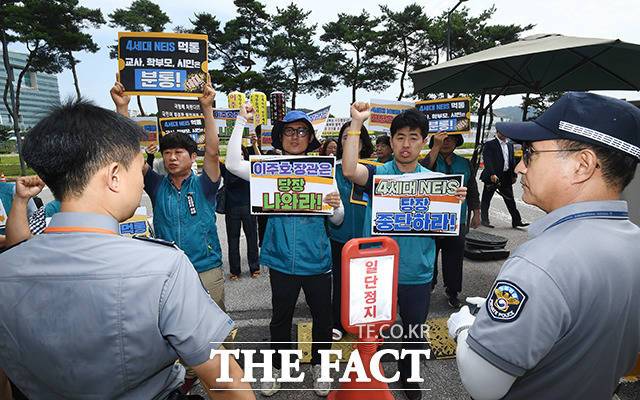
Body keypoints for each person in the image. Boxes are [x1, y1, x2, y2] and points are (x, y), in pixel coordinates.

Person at [0, 99, 254, 400]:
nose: (143, 177)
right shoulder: (163, 268)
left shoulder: (7, 267)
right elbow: (226, 381)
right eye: (138, 166)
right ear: (115, 176)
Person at [447, 92, 640, 400]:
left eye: (531, 154)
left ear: (582, 165)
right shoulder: (633, 241)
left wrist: (464, 328)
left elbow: (483, 385)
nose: (520, 167)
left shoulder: (540, 264)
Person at [341, 103, 467, 400]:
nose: (406, 144)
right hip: (376, 272)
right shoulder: (378, 175)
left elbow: (447, 224)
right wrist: (356, 123)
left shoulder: (436, 183)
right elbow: (349, 170)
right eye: (400, 137)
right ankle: (369, 373)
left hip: (417, 271)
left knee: (413, 330)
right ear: (391, 140)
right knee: (372, 330)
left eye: (413, 137)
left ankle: (408, 375)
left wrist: (455, 200)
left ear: (424, 141)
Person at [225, 105, 344, 397]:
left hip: (317, 260)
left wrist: (335, 206)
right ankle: (278, 367)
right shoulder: (268, 169)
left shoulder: (322, 170)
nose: (295, 136)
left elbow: (338, 220)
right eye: (289, 131)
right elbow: (232, 163)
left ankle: (320, 366)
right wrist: (241, 120)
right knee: (280, 318)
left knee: (323, 319)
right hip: (281, 260)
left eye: (302, 131)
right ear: (280, 137)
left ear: (310, 138)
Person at [111, 81, 226, 311]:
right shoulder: (156, 185)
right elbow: (130, 156)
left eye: (179, 152)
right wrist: (122, 108)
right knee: (173, 326)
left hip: (206, 269)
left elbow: (212, 152)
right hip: (168, 269)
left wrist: (207, 108)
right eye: (167, 153)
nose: (172, 158)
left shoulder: (205, 185)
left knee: (215, 327)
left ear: (193, 157)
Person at [420, 132, 481, 308]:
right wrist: (435, 146)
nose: (446, 143)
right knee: (429, 255)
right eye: (443, 139)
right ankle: (428, 285)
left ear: (456, 142)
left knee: (454, 257)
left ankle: (453, 292)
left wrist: (476, 212)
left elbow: (472, 189)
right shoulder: (428, 161)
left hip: (457, 220)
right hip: (430, 219)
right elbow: (422, 172)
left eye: (451, 139)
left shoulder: (464, 163)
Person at [328, 121, 375, 340]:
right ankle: (338, 321)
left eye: (354, 137)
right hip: (340, 237)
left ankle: (362, 322)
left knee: (366, 283)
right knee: (340, 281)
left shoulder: (376, 169)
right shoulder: (332, 170)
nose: (349, 141)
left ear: (363, 142)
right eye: (345, 137)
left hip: (369, 239)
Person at [220, 134, 260, 280]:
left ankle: (255, 268)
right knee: (233, 240)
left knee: (252, 238)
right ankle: (235, 271)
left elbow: (261, 164)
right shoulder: (226, 167)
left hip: (249, 206)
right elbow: (213, 157)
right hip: (232, 208)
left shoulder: (249, 166)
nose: (239, 156)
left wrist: (254, 144)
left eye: (241, 153)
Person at [480, 129, 528, 228]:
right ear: (497, 132)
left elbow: (512, 161)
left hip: (506, 176)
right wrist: (492, 174)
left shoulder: (509, 145)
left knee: (510, 200)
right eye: (501, 132)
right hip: (493, 176)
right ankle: (484, 220)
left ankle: (516, 221)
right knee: (486, 199)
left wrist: (514, 175)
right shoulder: (490, 144)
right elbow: (487, 160)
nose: (504, 134)